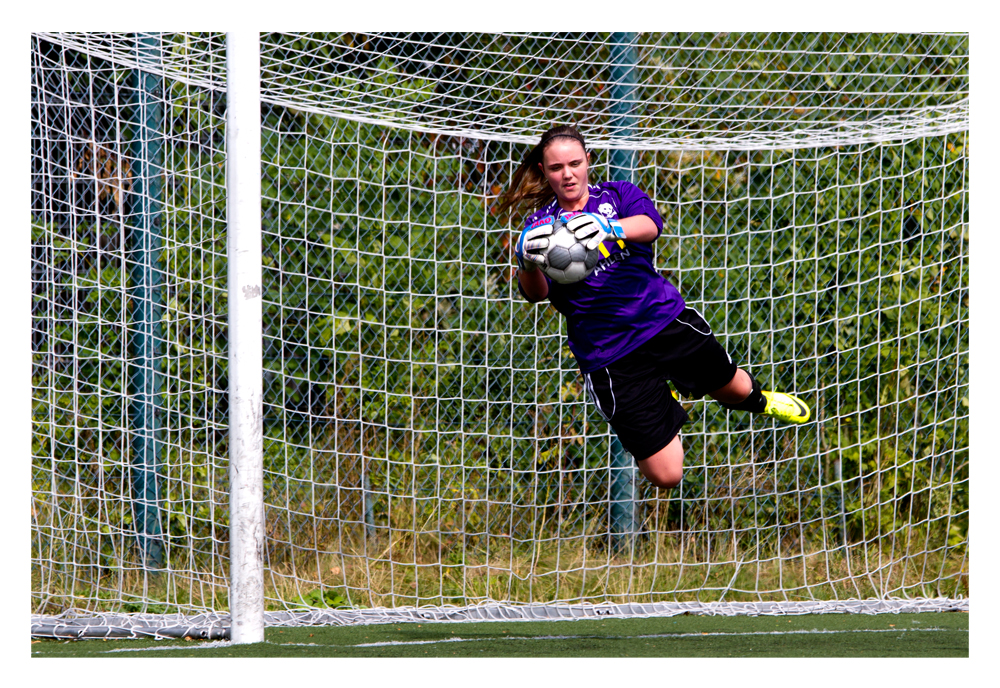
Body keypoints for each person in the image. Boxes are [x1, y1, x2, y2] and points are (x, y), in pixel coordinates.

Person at [498, 125, 810, 489]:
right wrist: (526, 262)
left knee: (735, 390)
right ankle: (666, 396)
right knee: (667, 475)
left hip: (664, 322)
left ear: (588, 161)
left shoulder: (617, 196)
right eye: (556, 168)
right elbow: (536, 295)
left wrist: (609, 228)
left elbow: (651, 225)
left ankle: (761, 401)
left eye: (575, 163)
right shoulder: (538, 229)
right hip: (610, 355)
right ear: (543, 169)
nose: (567, 174)